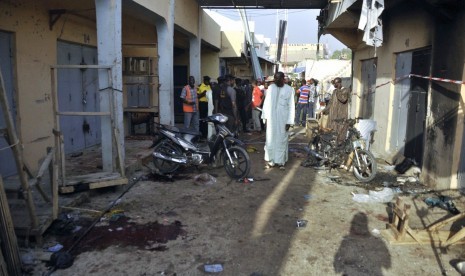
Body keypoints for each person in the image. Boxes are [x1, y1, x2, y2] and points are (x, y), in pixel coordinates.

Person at [261, 72, 295, 170]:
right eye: (275, 79)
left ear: (283, 79)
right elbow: (266, 104)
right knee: (270, 140)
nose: (276, 81)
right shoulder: (271, 88)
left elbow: (291, 106)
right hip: (271, 119)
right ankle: (271, 160)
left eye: (278, 79)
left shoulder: (289, 90)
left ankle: (281, 162)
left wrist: (289, 121)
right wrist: (265, 118)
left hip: (283, 120)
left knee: (281, 140)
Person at [322, 77, 350, 142]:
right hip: (333, 115)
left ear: (339, 83)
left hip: (341, 115)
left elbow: (343, 99)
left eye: (335, 83)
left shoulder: (345, 90)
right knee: (331, 131)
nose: (334, 85)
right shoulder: (334, 91)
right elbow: (330, 102)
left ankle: (340, 145)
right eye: (334, 84)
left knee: (340, 132)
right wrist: (325, 110)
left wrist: (338, 89)